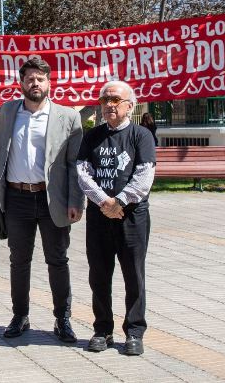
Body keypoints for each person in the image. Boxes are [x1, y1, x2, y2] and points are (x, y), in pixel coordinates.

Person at [0, 56, 84, 343]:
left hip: (52, 200)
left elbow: (74, 165)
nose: (35, 83)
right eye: (30, 78)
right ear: (21, 83)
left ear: (49, 83)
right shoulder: (7, 112)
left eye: (40, 78)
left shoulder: (68, 117)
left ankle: (63, 319)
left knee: (57, 260)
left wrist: (76, 201)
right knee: (18, 261)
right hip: (17, 198)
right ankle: (20, 316)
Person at [77, 81, 156, 356]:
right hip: (100, 216)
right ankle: (102, 330)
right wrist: (104, 202)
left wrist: (119, 201)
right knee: (99, 275)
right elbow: (83, 172)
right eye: (104, 99)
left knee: (133, 275)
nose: (109, 104)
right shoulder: (92, 136)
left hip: (132, 217)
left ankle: (134, 332)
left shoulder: (141, 135)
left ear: (130, 106)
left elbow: (145, 174)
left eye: (115, 99)